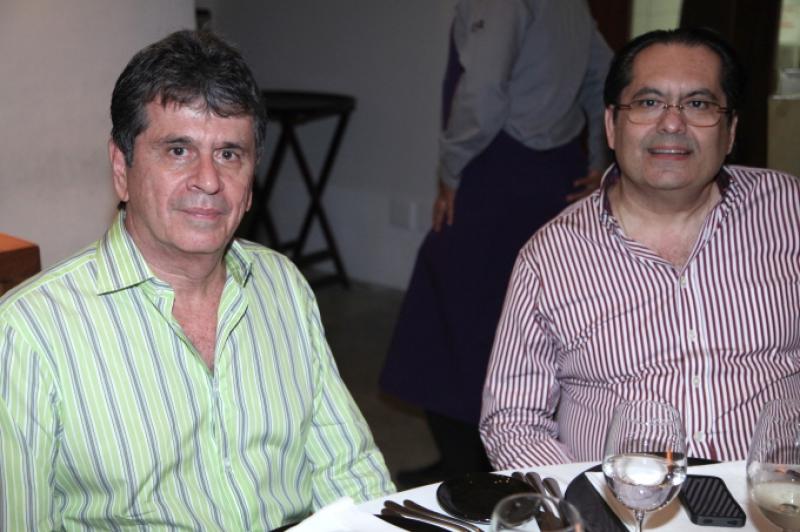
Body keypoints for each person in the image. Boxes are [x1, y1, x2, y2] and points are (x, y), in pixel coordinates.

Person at [0, 30, 393, 530]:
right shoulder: (27, 333)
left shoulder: (283, 286)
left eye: (229, 154)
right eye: (178, 150)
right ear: (121, 168)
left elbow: (349, 471)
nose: (208, 180)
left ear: (250, 181)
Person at [480, 27, 800, 470]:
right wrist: (582, 499)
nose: (672, 124)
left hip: (771, 495)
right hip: (623, 499)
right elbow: (513, 421)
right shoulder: (551, 256)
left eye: (698, 104)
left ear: (730, 132)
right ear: (612, 125)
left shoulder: (788, 211)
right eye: (649, 103)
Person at [379, 0, 612, 487]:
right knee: (510, 317)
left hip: (498, 169)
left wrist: (450, 168)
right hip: (557, 172)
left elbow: (483, 93)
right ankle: (463, 460)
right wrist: (596, 160)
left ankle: (472, 469)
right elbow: (603, 74)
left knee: (449, 318)